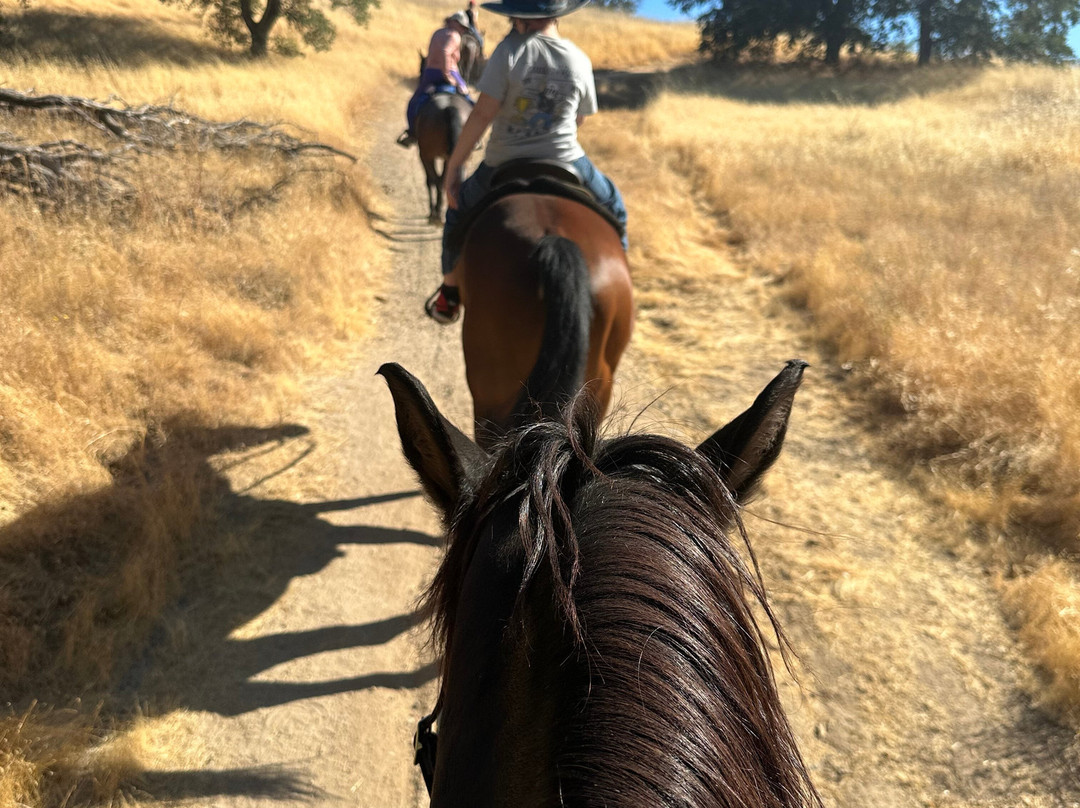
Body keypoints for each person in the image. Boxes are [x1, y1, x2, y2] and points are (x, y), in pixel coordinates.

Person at [425, 0, 628, 325]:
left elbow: (481, 115)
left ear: (520, 16)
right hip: (566, 159)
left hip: (505, 159)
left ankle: (449, 294)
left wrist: (453, 169)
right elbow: (579, 120)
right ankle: (622, 288)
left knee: (457, 212)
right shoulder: (578, 58)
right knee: (615, 206)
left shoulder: (509, 50)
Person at [398, 11, 476, 149]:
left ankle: (412, 133)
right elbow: (446, 52)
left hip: (430, 73)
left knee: (415, 101)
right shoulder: (455, 35)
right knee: (468, 98)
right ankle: (473, 137)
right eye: (462, 27)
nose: (463, 30)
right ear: (454, 22)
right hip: (450, 71)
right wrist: (447, 75)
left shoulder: (437, 32)